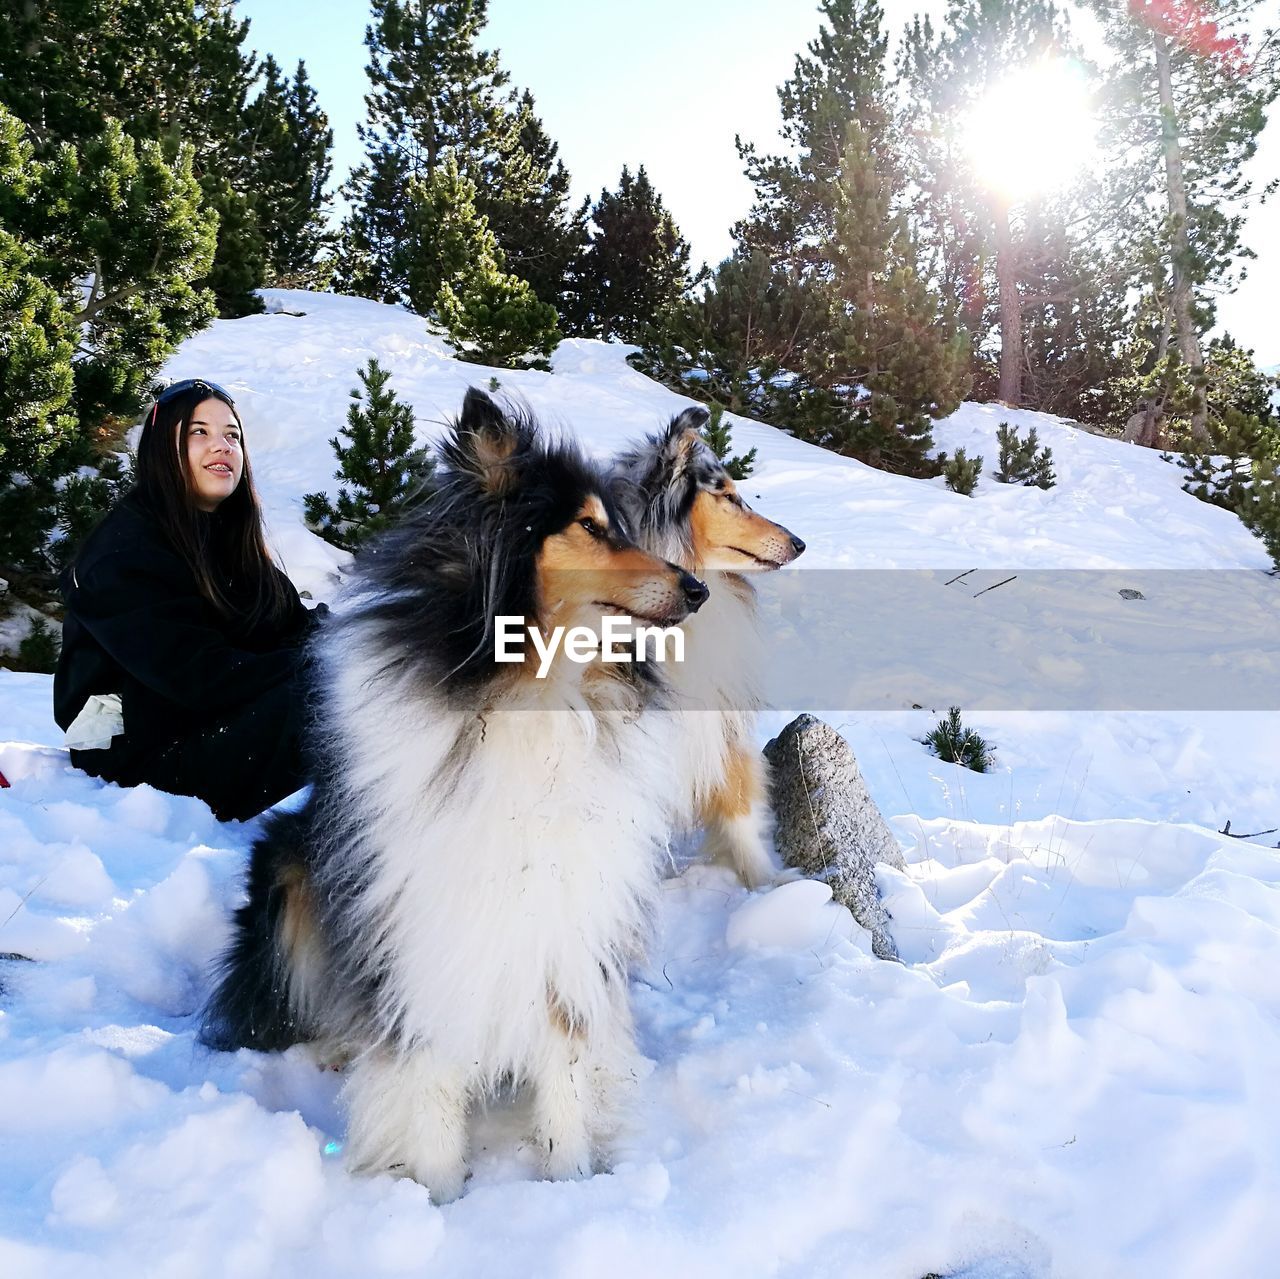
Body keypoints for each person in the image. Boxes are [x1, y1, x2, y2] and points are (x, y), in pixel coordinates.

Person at [53, 378, 320, 821]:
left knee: (366, 679)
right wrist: (334, 664)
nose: (222, 446)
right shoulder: (123, 552)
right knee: (335, 695)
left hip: (199, 726)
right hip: (136, 763)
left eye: (231, 435)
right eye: (199, 432)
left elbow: (292, 624)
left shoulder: (227, 540)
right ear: (162, 447)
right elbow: (198, 675)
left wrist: (364, 640)